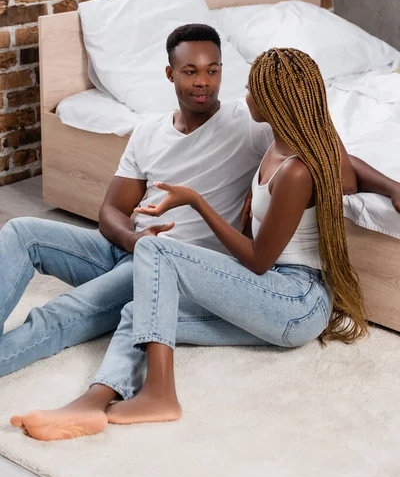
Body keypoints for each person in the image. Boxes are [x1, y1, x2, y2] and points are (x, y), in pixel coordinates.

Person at [7, 31, 400, 441]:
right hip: (243, 283)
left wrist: (195, 201)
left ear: (271, 101)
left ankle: (160, 394)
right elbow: (112, 210)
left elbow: (266, 252)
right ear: (170, 73)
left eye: (217, 72)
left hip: (292, 297)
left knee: (140, 266)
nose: (217, 86)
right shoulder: (263, 147)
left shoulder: (283, 157)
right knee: (136, 311)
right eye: (191, 71)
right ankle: (93, 402)